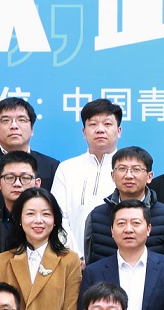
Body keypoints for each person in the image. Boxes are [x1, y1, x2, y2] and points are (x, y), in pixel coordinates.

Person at [83, 146, 164, 262]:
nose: (129, 176)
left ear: (149, 177)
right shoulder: (96, 217)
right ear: (113, 176)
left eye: (136, 169)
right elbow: (90, 263)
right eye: (122, 169)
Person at [51, 98, 124, 248]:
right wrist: (72, 255)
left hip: (116, 256)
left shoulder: (128, 170)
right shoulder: (67, 169)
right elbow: (57, 216)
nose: (100, 129)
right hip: (72, 257)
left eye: (107, 124)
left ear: (119, 131)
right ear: (84, 132)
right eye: (93, 124)